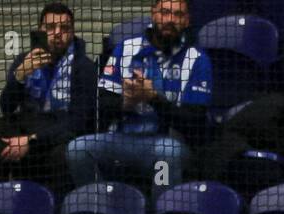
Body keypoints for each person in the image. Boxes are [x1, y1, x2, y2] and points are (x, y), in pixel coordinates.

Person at [64, 0, 211, 197]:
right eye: (165, 12)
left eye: (178, 15)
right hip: (122, 139)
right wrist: (126, 102)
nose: (170, 20)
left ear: (186, 21)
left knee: (168, 154)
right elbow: (100, 105)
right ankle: (100, 207)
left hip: (167, 142)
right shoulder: (125, 49)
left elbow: (195, 122)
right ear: (153, 14)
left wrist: (153, 99)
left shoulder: (197, 59)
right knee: (77, 149)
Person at [0, 3, 99, 194]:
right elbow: (7, 107)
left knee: (61, 154)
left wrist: (30, 141)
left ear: (72, 33)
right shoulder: (25, 61)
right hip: (27, 125)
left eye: (64, 28)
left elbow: (77, 122)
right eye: (50, 28)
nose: (57, 33)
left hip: (58, 133)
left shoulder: (84, 68)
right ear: (40, 30)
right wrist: (20, 76)